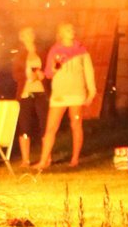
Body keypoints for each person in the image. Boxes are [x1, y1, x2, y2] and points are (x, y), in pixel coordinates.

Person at [38, 22, 96, 170]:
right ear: (61, 33)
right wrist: (53, 68)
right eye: (67, 30)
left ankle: (75, 159)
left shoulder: (81, 50)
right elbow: (49, 74)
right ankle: (44, 161)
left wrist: (92, 91)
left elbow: (89, 71)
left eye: (72, 29)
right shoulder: (55, 50)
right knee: (51, 127)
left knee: (75, 124)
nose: (72, 31)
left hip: (76, 92)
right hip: (59, 94)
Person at [13, 25, 47, 168]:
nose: (29, 36)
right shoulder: (19, 55)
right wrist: (27, 77)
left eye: (31, 33)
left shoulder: (42, 52)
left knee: (44, 125)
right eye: (26, 34)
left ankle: (47, 158)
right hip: (26, 93)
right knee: (25, 125)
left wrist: (43, 75)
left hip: (41, 92)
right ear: (21, 38)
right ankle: (25, 160)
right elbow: (15, 74)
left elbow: (50, 67)